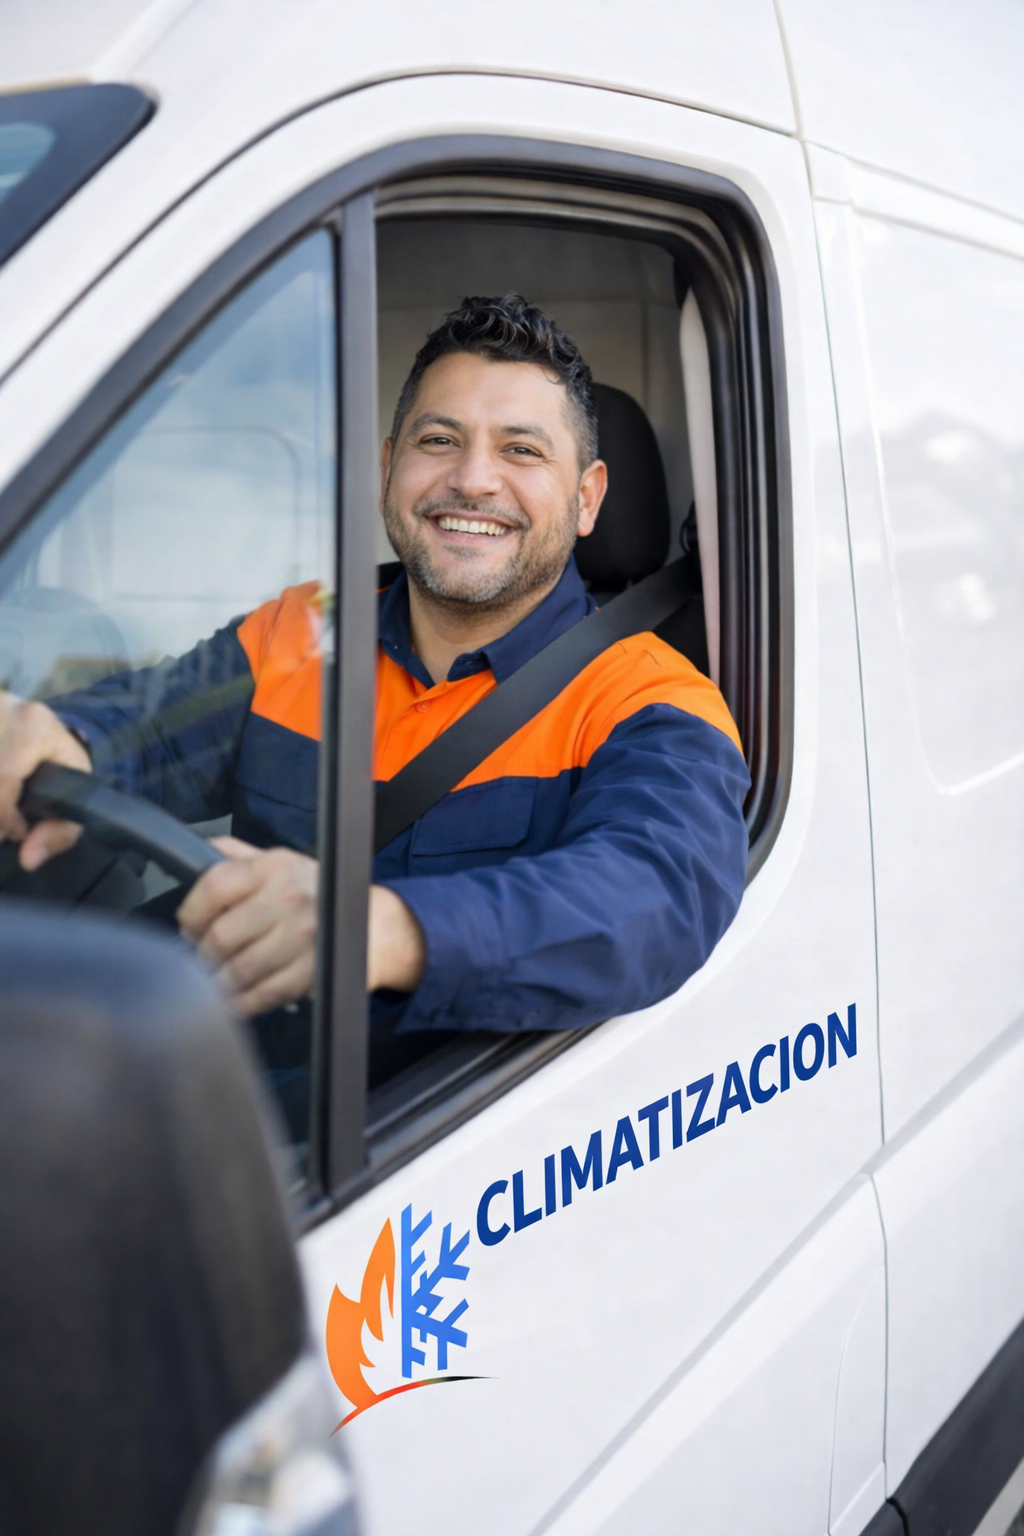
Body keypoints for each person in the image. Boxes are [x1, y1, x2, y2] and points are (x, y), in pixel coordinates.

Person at [0, 294, 750, 1038]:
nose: (473, 480)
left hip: (426, 1107)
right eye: (439, 439)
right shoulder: (310, 622)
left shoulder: (650, 695)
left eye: (521, 450)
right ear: (391, 467)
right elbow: (155, 729)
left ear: (587, 499)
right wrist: (69, 738)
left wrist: (384, 932)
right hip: (228, 1063)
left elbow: (658, 895)